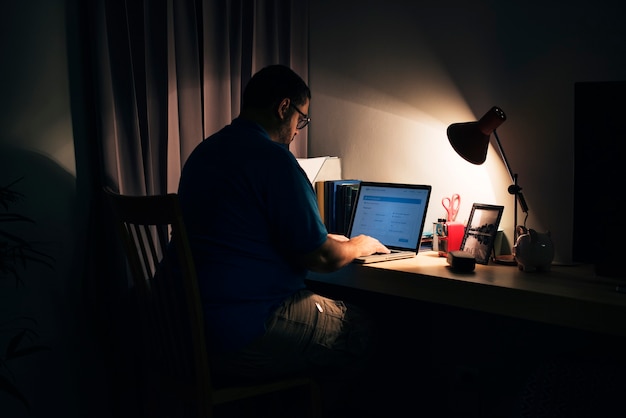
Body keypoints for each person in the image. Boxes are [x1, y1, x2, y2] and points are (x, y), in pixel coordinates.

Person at [175, 64, 389, 414]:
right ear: (283, 108)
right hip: (243, 327)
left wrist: (324, 237)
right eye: (301, 119)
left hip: (187, 324)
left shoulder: (205, 153)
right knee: (360, 329)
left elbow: (242, 234)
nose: (296, 130)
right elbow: (321, 258)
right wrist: (357, 245)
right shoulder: (274, 160)